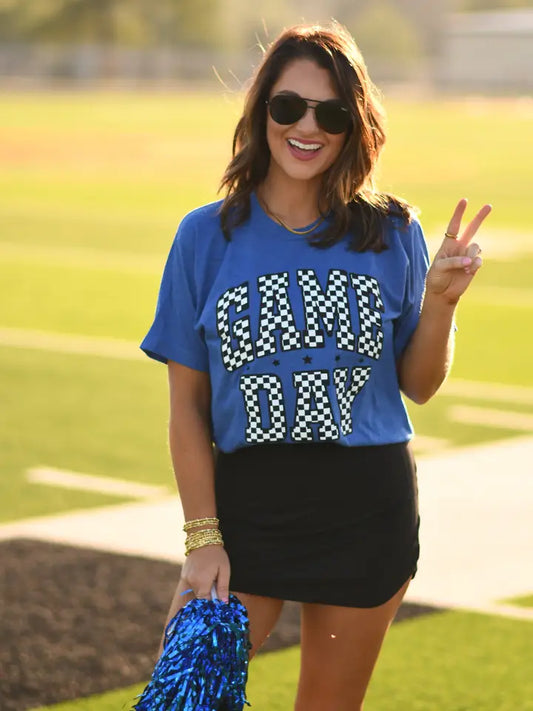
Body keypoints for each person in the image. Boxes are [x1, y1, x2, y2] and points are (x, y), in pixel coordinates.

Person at [140, 22, 491, 711]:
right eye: (288, 107)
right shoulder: (203, 236)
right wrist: (201, 538)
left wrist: (441, 303)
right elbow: (186, 405)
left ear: (353, 125)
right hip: (247, 509)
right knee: (184, 700)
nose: (307, 126)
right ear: (261, 110)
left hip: (365, 506)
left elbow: (416, 385)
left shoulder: (391, 230)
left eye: (330, 113)